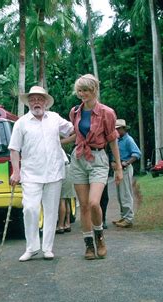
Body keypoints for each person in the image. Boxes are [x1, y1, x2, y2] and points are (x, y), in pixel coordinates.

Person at [9, 86, 74, 261]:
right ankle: (31, 248)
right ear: (28, 102)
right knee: (30, 209)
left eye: (39, 99)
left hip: (54, 172)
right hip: (30, 174)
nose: (36, 102)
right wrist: (16, 172)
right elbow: (14, 150)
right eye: (32, 99)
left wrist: (63, 141)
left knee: (51, 211)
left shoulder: (54, 118)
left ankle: (47, 248)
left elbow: (73, 130)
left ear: (45, 102)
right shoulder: (21, 123)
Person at [69, 74, 123, 260]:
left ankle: (99, 236)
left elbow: (113, 140)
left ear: (94, 90)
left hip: (98, 158)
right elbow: (75, 135)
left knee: (94, 203)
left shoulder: (107, 112)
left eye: (86, 90)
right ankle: (89, 245)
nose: (82, 94)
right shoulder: (75, 111)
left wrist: (118, 168)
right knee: (83, 206)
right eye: (80, 90)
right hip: (78, 158)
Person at [111, 119, 141, 228]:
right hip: (118, 168)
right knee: (120, 194)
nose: (117, 131)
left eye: (118, 129)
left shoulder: (128, 140)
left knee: (125, 193)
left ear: (123, 128)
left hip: (125, 169)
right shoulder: (117, 140)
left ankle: (128, 219)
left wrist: (126, 163)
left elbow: (137, 153)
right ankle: (124, 216)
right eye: (115, 129)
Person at [56, 150, 75, 234]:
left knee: (61, 200)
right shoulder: (60, 148)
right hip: (68, 167)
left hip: (62, 169)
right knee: (67, 199)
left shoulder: (53, 146)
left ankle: (60, 225)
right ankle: (67, 223)